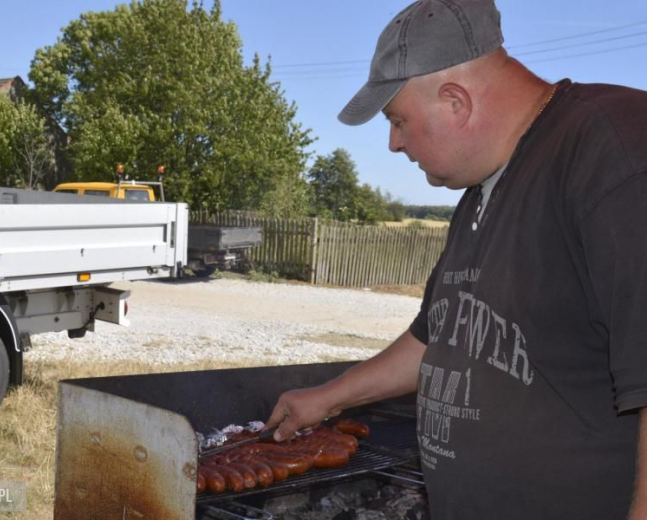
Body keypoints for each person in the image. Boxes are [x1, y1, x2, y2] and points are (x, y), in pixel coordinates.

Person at [264, 1, 647, 518]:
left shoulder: (615, 149)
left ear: (455, 102)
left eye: (398, 120)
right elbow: (440, 336)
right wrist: (330, 397)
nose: (394, 143)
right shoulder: (480, 190)